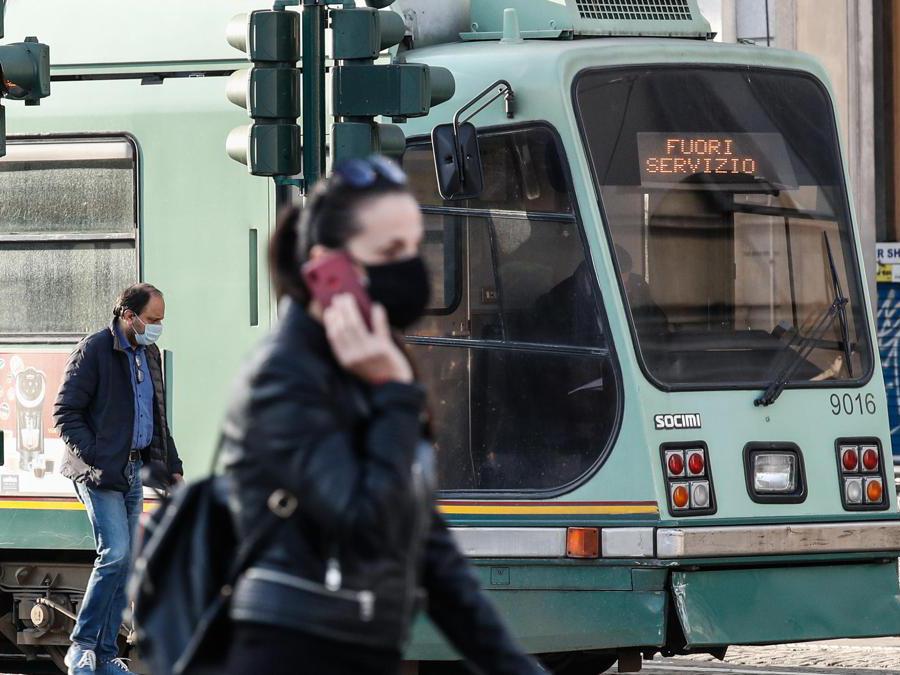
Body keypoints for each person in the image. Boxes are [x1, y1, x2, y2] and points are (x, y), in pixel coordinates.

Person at [221, 156, 546, 675]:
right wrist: (395, 393)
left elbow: (426, 549)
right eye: (391, 251)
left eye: (417, 247)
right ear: (329, 268)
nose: (414, 268)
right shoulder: (284, 379)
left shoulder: (373, 360)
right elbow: (364, 524)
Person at [54, 283, 184, 675]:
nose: (158, 327)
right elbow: (65, 413)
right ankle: (81, 647)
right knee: (115, 554)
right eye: (153, 320)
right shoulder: (94, 350)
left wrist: (172, 466)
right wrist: (98, 460)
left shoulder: (149, 354)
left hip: (132, 471)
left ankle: (106, 655)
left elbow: (155, 418)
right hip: (99, 473)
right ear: (129, 316)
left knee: (126, 565)